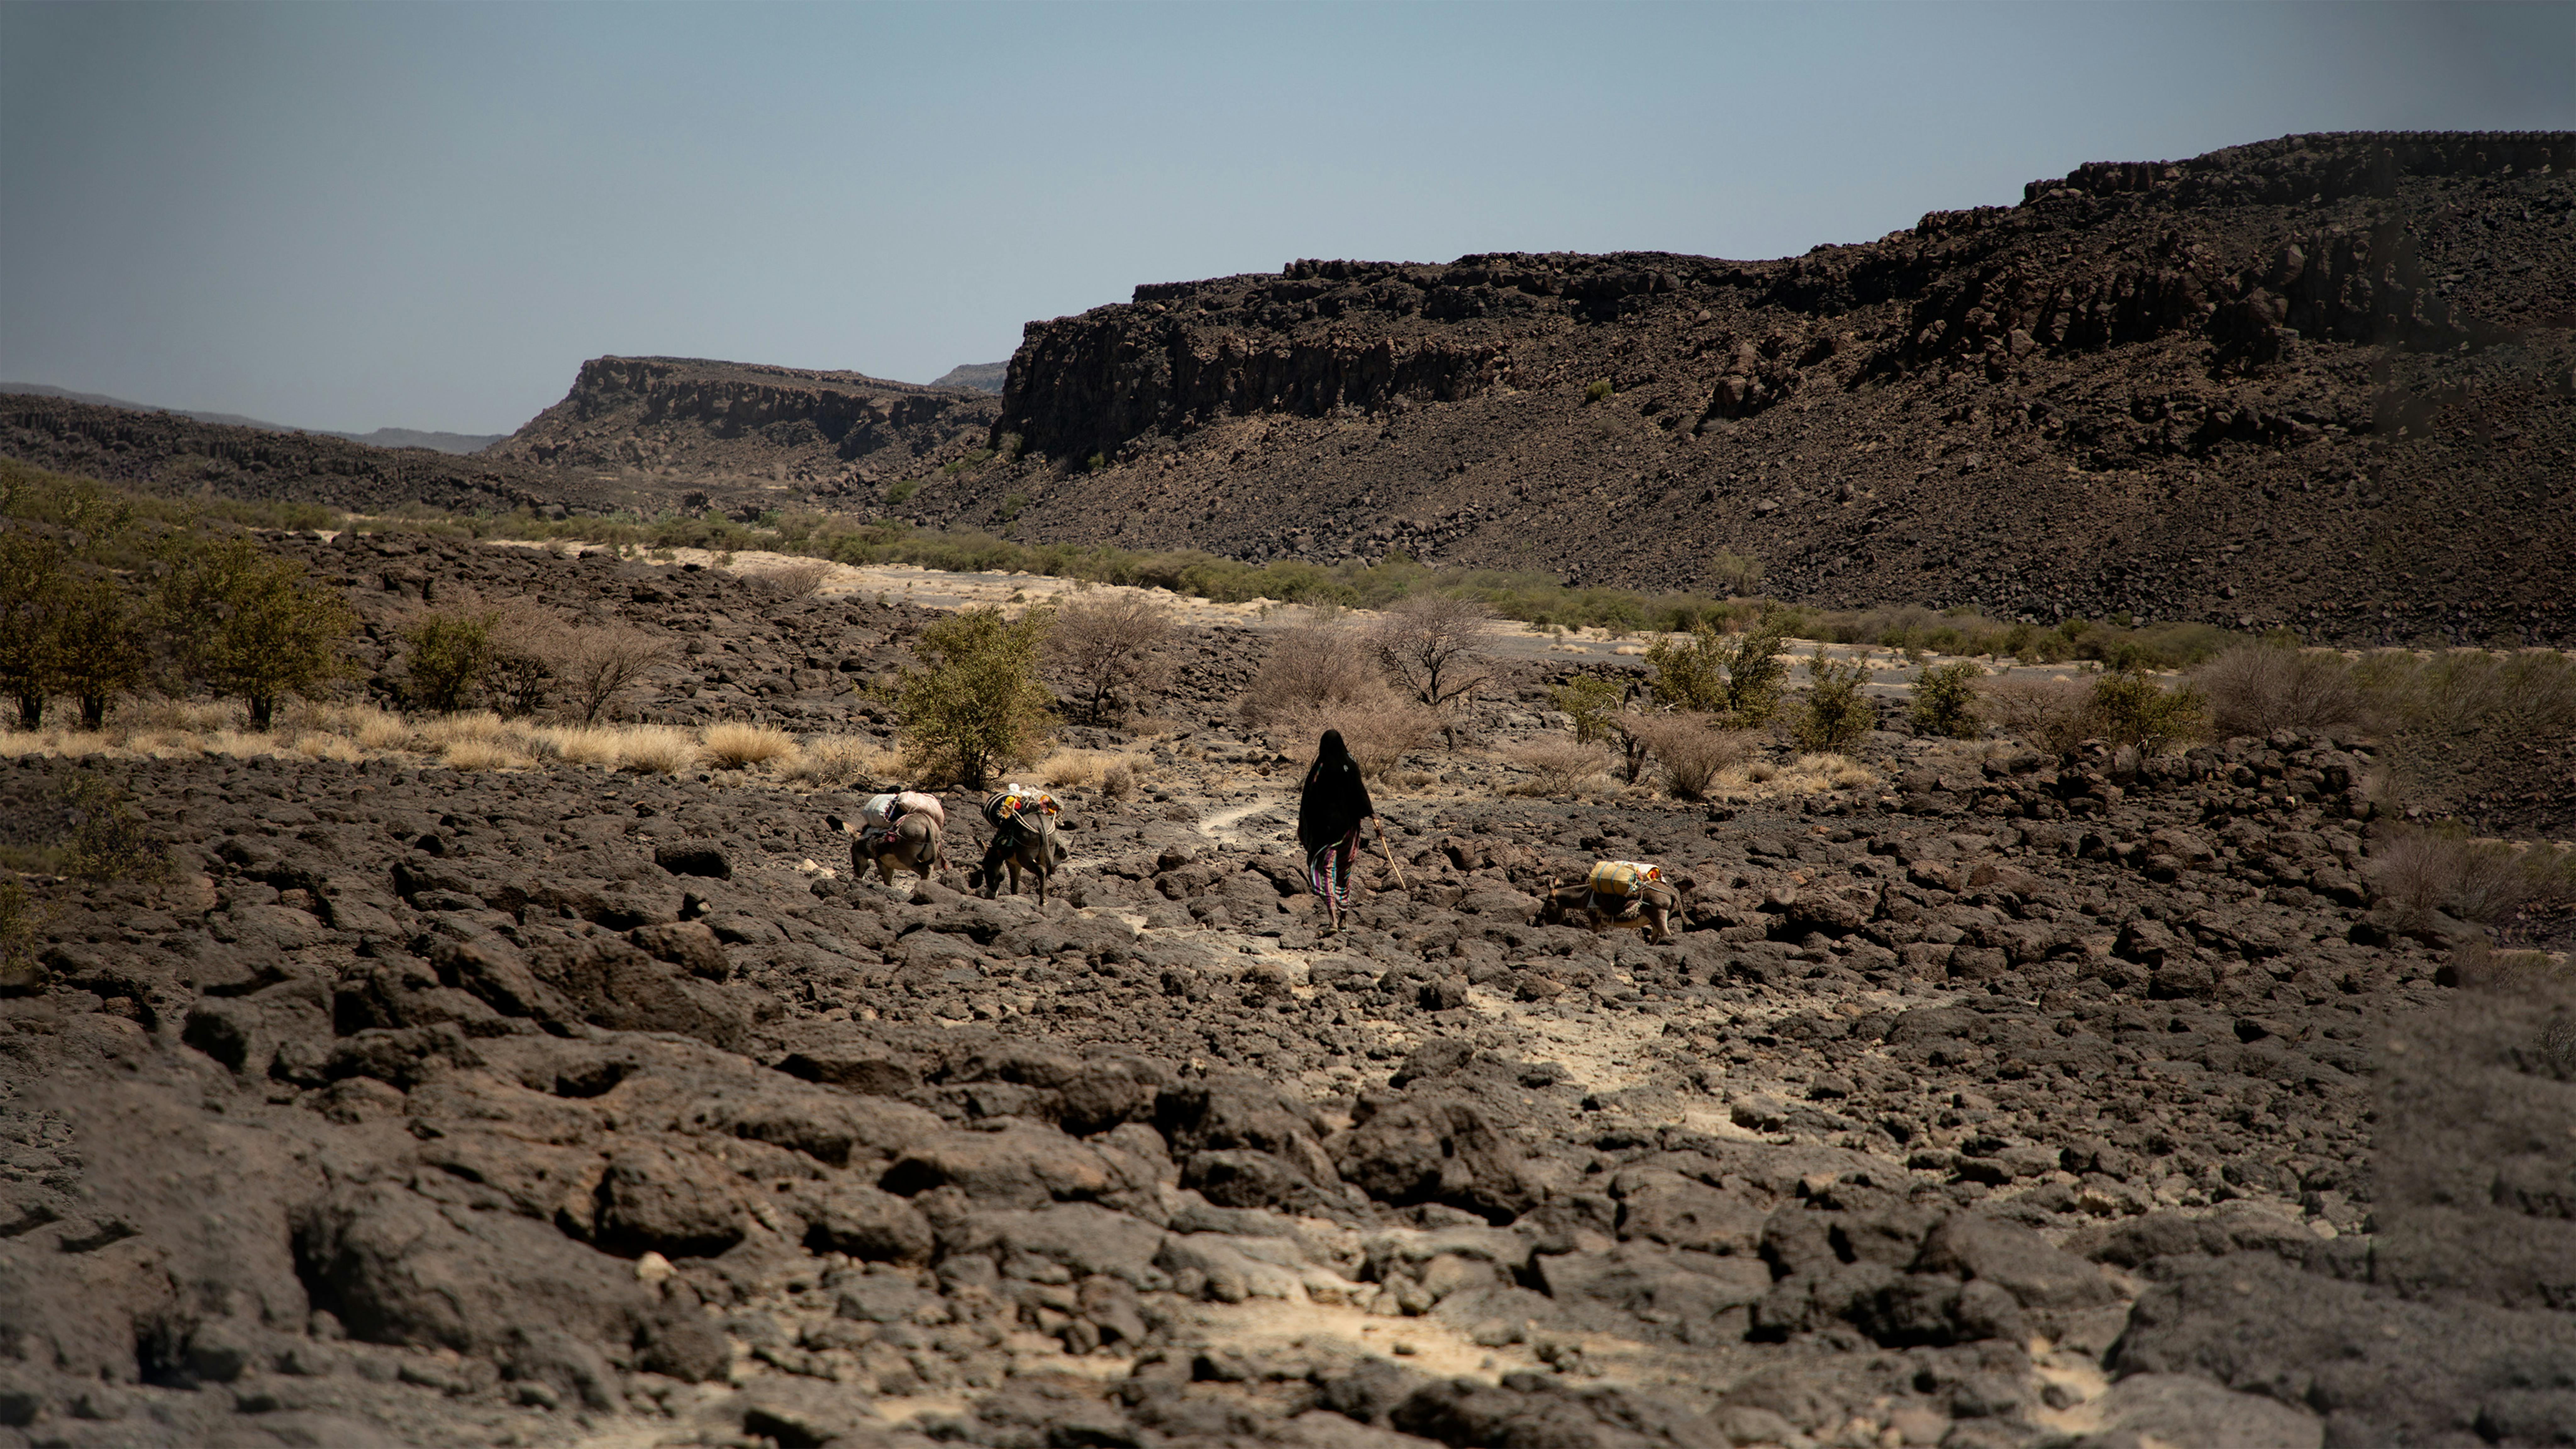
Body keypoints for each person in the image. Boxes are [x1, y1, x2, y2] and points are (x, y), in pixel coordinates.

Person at [1297, 729, 1375, 926]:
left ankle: (1332, 919)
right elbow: (1360, 790)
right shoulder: (1351, 763)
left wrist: (1307, 826)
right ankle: (1344, 919)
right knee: (1344, 871)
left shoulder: (1321, 768)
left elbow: (1310, 798)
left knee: (1326, 871)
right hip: (1349, 830)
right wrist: (1372, 814)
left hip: (1327, 832)